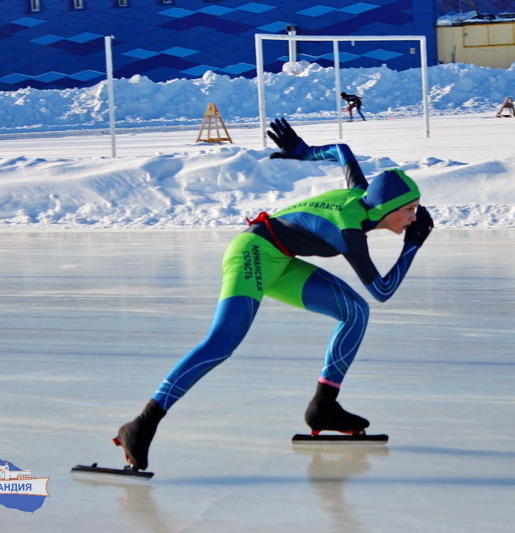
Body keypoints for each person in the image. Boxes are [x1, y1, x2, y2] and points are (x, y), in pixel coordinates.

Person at [114, 118, 433, 471]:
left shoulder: (363, 194)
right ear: (388, 208)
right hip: (252, 251)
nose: (413, 217)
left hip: (281, 259)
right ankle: (142, 423)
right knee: (221, 343)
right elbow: (382, 290)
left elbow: (342, 152)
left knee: (354, 312)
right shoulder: (349, 230)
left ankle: (323, 406)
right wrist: (412, 247)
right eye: (409, 210)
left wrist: (304, 152)